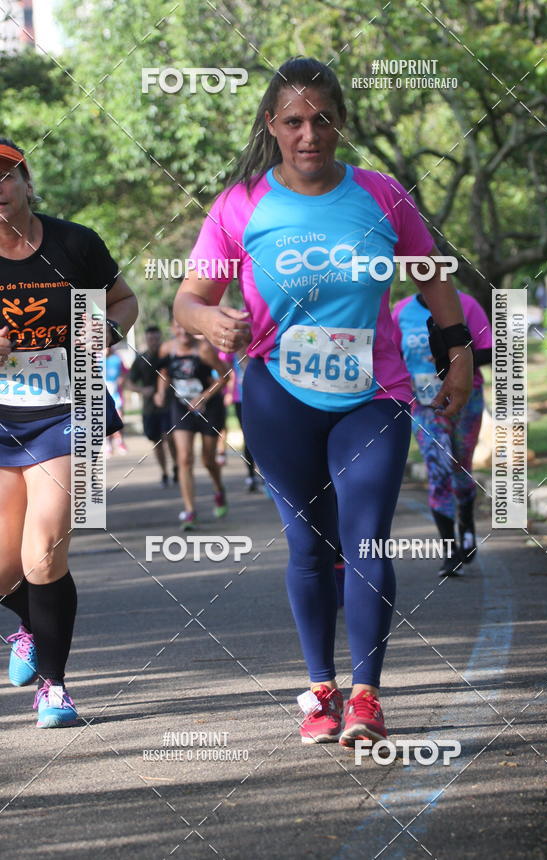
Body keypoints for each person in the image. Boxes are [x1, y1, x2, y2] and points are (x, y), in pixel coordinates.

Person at [173, 57, 473, 747]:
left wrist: (457, 355)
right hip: (277, 394)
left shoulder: (383, 195)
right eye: (294, 121)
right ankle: (320, 691)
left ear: (341, 121)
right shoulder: (241, 203)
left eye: (323, 119)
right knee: (308, 547)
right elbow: (188, 299)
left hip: (373, 393)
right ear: (273, 127)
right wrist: (209, 322)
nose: (310, 134)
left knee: (366, 536)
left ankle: (366, 695)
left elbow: (432, 280)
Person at [0, 138, 137, 727]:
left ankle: (53, 686)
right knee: (7, 569)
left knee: (45, 547)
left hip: (68, 405)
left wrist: (102, 332)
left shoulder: (75, 243)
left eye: (5, 177)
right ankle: (31, 626)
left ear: (27, 183)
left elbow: (124, 301)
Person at [392, 291, 492, 577]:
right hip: (424, 405)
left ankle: (468, 525)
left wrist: (452, 356)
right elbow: (392, 354)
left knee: (461, 467)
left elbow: (488, 349)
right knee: (438, 468)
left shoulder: (467, 304)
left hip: (465, 398)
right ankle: (450, 550)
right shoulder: (401, 312)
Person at [154, 321, 229, 529]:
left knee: (208, 460)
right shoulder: (167, 349)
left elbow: (225, 375)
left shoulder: (203, 349)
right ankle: (189, 511)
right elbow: (163, 372)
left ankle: (218, 488)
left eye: (187, 327)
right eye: (178, 327)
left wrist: (204, 396)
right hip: (182, 407)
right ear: (172, 329)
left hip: (209, 408)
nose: (183, 331)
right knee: (184, 458)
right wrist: (160, 391)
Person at [128, 324, 177, 486]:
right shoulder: (140, 359)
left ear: (160, 338)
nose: (154, 342)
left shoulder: (168, 356)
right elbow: (129, 383)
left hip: (170, 404)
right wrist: (142, 390)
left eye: (156, 338)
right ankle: (164, 472)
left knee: (170, 437)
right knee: (157, 442)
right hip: (150, 408)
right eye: (151, 339)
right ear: (146, 340)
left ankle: (177, 466)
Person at [218, 348, 258, 492]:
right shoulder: (231, 348)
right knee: (248, 437)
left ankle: (268, 477)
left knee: (262, 437)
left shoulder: (258, 342)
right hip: (240, 398)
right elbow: (226, 371)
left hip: (259, 397)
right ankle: (251, 475)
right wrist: (228, 392)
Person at [105, 343, 128, 455]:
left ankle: (120, 442)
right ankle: (107, 444)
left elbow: (125, 372)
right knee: (105, 419)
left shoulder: (117, 358)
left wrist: (121, 379)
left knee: (119, 418)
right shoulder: (95, 359)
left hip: (116, 395)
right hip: (102, 395)